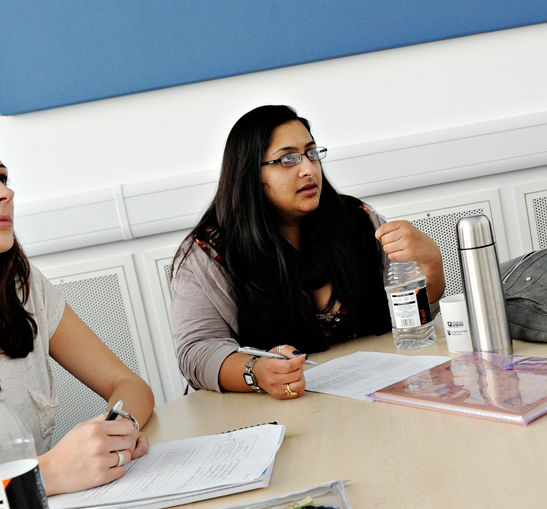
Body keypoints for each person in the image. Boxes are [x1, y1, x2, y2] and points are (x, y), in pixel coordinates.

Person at [0, 119, 156, 509]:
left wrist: (118, 431)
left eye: (2, 177)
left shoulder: (22, 289)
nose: (3, 193)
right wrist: (45, 474)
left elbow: (128, 384)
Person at [172, 105, 445, 398]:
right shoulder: (207, 252)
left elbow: (412, 316)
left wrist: (431, 264)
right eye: (288, 159)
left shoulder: (356, 219)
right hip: (268, 409)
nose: (308, 169)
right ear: (250, 173)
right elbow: (197, 352)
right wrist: (257, 372)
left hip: (370, 393)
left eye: (311, 153)